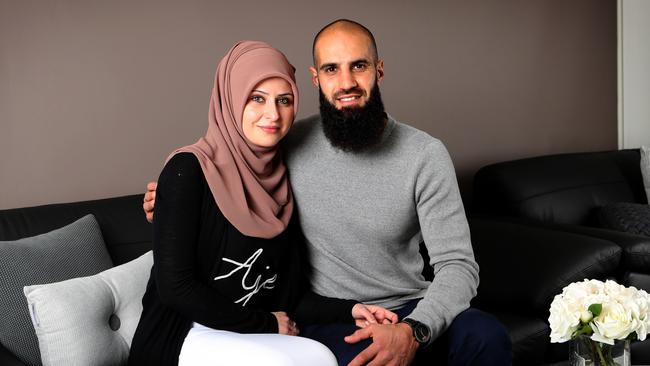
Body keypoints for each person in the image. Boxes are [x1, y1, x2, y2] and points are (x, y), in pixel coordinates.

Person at [144, 21, 512, 366]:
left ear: (379, 70)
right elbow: (230, 163)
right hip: (331, 316)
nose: (347, 81)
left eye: (359, 66)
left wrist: (414, 330)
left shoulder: (424, 155)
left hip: (411, 307)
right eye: (332, 69)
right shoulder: (287, 142)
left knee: (487, 336)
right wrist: (167, 199)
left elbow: (458, 266)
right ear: (316, 78)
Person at [129, 40, 398, 366]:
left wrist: (350, 309)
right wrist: (268, 323)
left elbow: (286, 296)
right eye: (257, 99)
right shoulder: (189, 169)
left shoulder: (282, 181)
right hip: (183, 330)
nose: (273, 114)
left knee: (320, 356)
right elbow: (175, 288)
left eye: (283, 101)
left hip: (248, 329)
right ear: (230, 99)